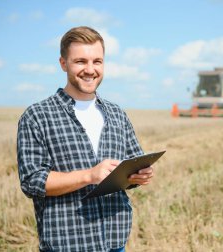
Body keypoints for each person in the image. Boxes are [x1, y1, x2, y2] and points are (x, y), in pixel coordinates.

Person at [17, 26, 154, 251]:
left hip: (115, 243)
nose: (90, 70)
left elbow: (131, 164)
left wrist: (138, 176)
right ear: (63, 63)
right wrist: (89, 175)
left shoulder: (117, 113)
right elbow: (32, 182)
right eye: (80, 61)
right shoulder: (37, 116)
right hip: (67, 244)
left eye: (97, 61)